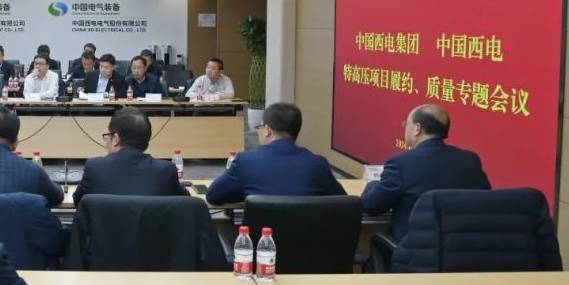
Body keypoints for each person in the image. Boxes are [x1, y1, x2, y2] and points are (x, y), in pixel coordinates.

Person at [362, 104, 491, 241]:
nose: (405, 128)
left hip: (413, 248)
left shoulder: (400, 164)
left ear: (417, 128)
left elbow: (372, 205)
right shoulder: (470, 161)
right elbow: (485, 200)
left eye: (407, 124)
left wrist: (372, 185)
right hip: (460, 247)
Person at [206, 103, 344, 204]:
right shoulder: (318, 164)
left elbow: (213, 196)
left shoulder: (245, 161)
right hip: (307, 236)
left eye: (260, 127)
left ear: (267, 130)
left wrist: (246, 194)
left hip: (261, 236)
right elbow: (342, 201)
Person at [72, 107, 186, 206]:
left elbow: (78, 201)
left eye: (108, 136)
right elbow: (185, 202)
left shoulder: (95, 167)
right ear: (147, 142)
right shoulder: (166, 170)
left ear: (115, 139)